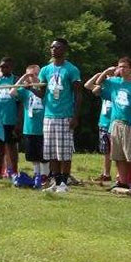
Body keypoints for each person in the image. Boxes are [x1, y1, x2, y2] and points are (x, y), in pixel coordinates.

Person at [28, 39, 83, 193]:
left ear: (64, 49)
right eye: (51, 47)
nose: (53, 49)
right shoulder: (45, 70)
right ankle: (56, 181)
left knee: (64, 151)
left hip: (65, 115)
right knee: (51, 150)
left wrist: (75, 116)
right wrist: (31, 88)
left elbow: (78, 94)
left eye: (57, 47)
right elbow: (42, 93)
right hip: (49, 115)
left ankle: (64, 183)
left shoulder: (71, 69)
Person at [86, 57, 131, 190]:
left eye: (125, 67)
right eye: (120, 67)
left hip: (130, 124)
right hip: (115, 123)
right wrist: (107, 70)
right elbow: (97, 82)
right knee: (118, 155)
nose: (121, 69)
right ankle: (122, 181)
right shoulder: (114, 82)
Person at [14, 65, 48, 188]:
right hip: (29, 127)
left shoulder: (44, 88)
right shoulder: (25, 91)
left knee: (44, 154)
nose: (32, 77)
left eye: (35, 74)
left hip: (43, 127)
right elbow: (12, 92)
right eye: (30, 75)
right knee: (32, 154)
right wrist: (24, 78)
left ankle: (45, 175)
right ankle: (36, 174)